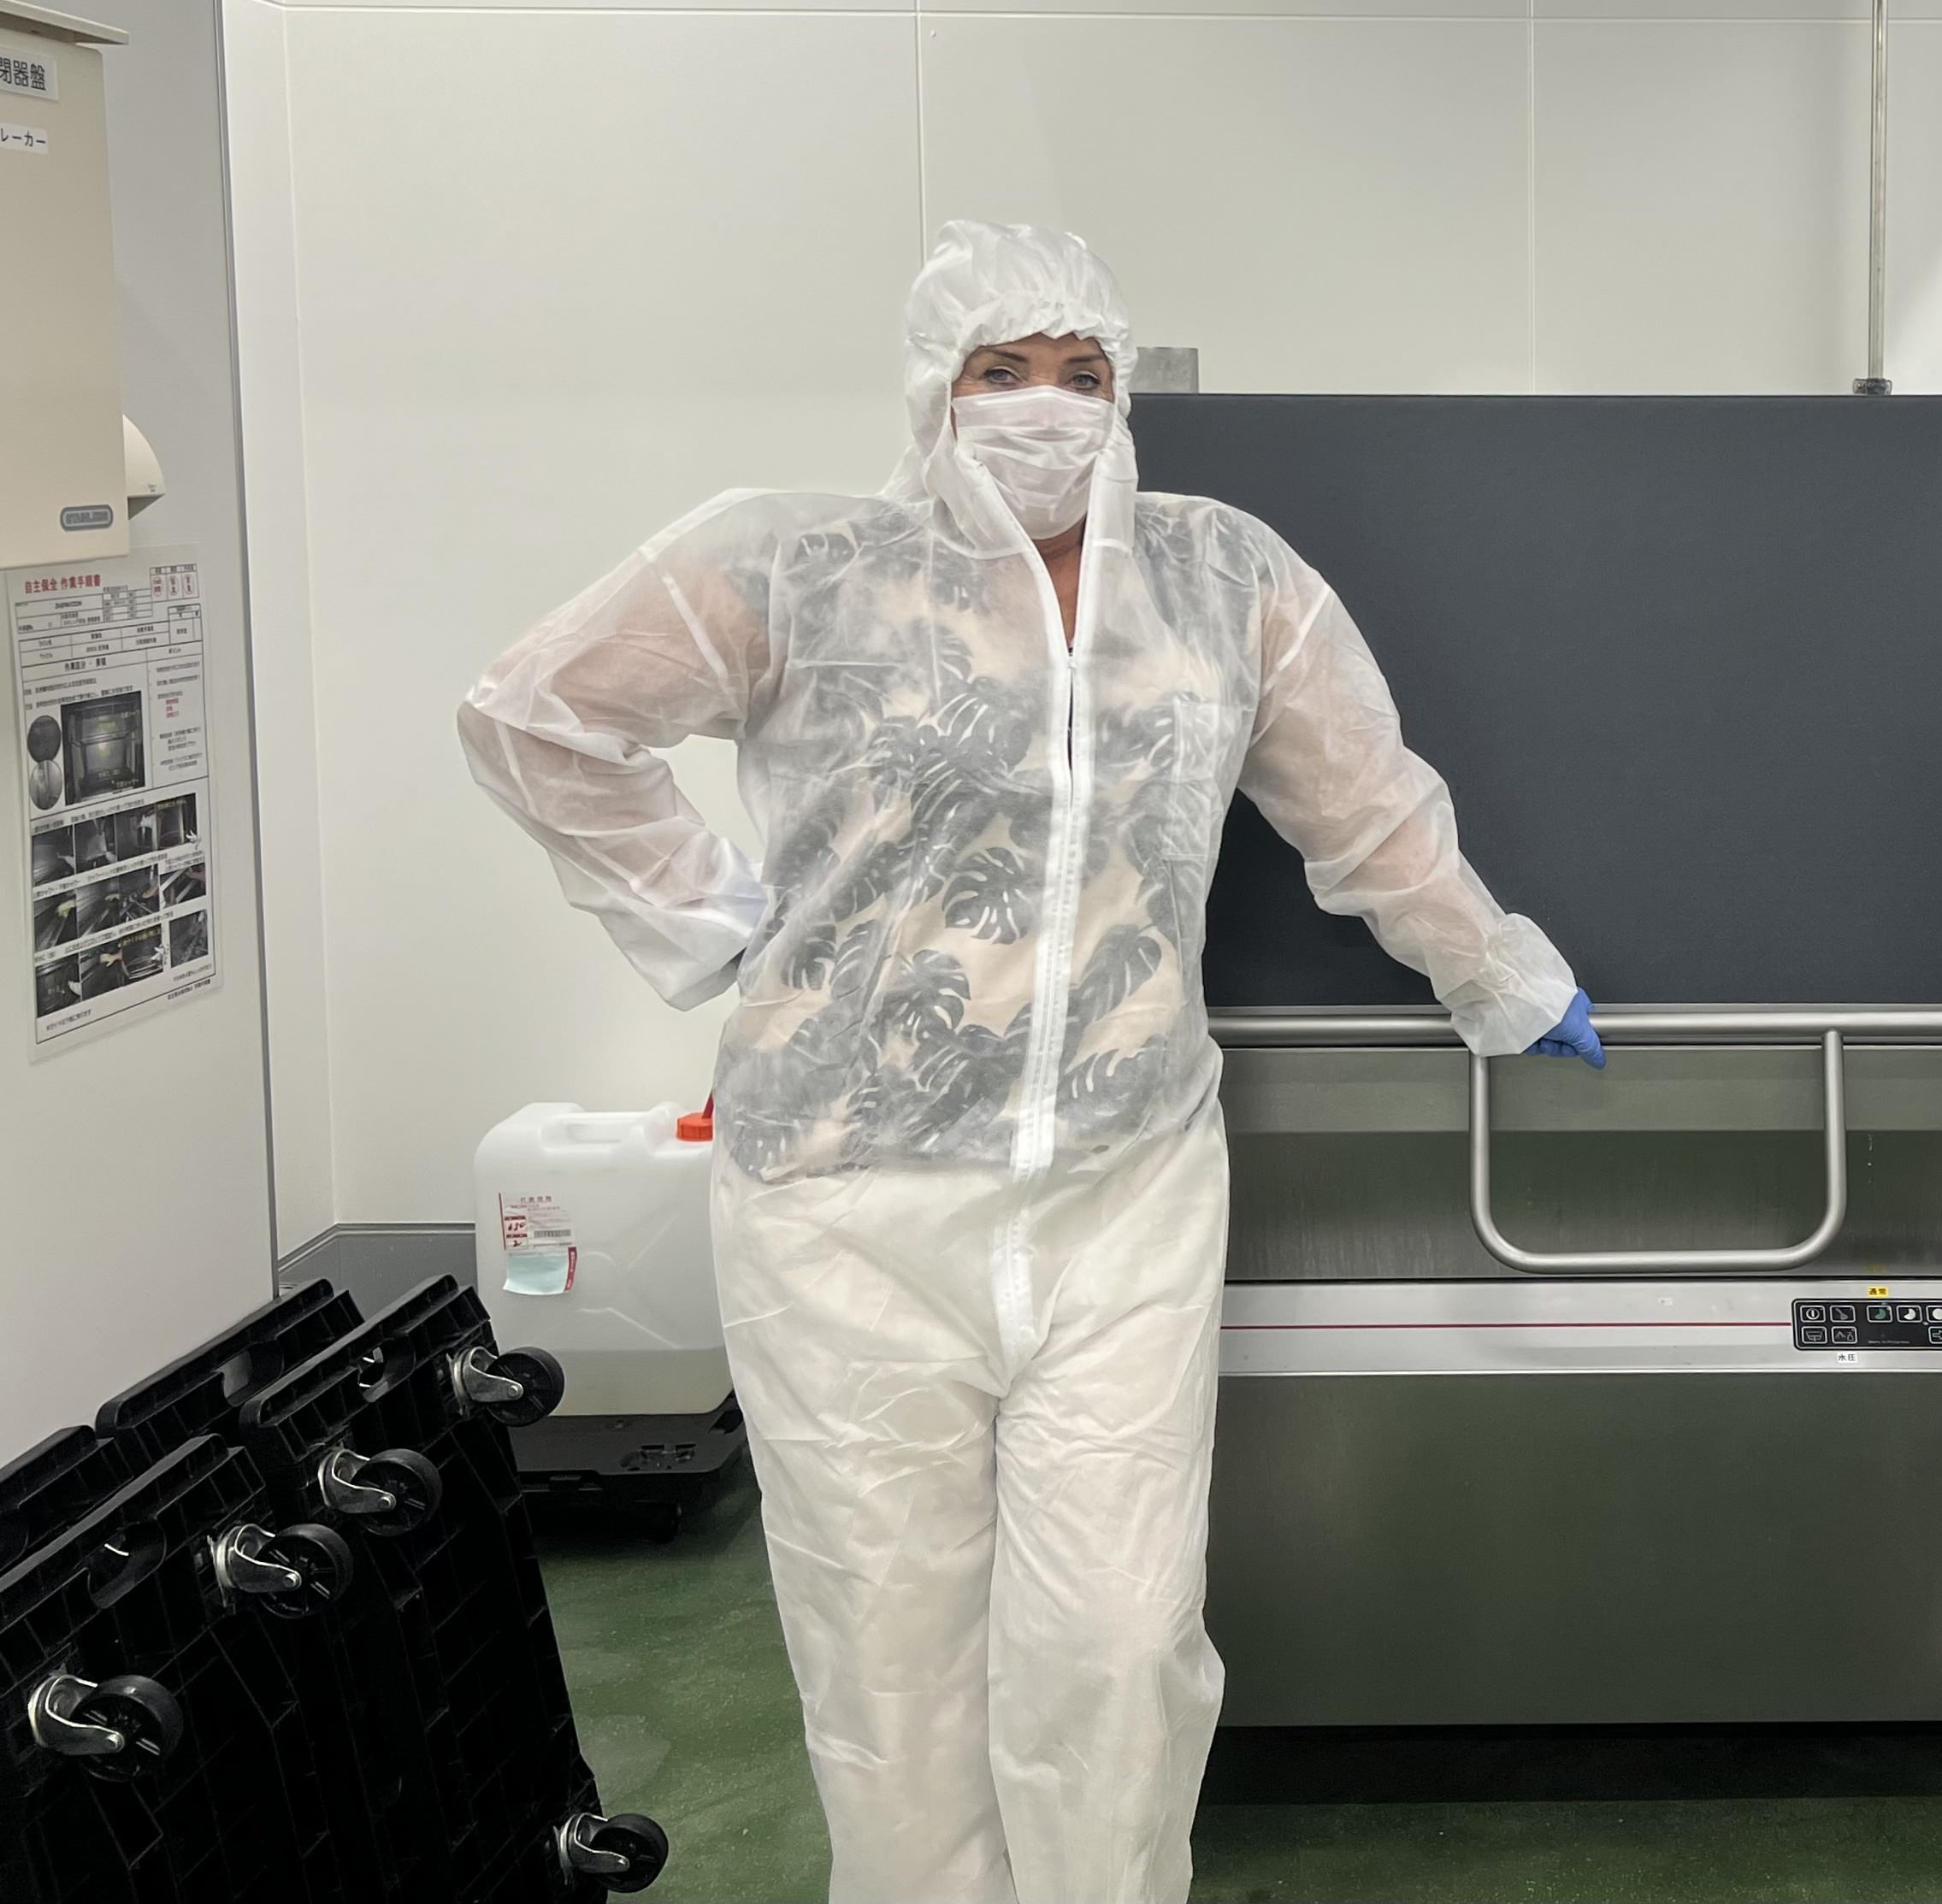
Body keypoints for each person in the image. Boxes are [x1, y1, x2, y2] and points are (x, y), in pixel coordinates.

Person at [458, 219, 1603, 1903]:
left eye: (1082, 373)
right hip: (842, 1206)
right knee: (891, 1672)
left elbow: (1362, 804)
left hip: (1122, 1194)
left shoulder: (1221, 577)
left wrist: (1494, 972)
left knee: (1122, 1647)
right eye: (1004, 371)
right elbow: (535, 716)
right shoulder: (797, 565)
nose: (1046, 406)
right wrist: (713, 924)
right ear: (936, 388)